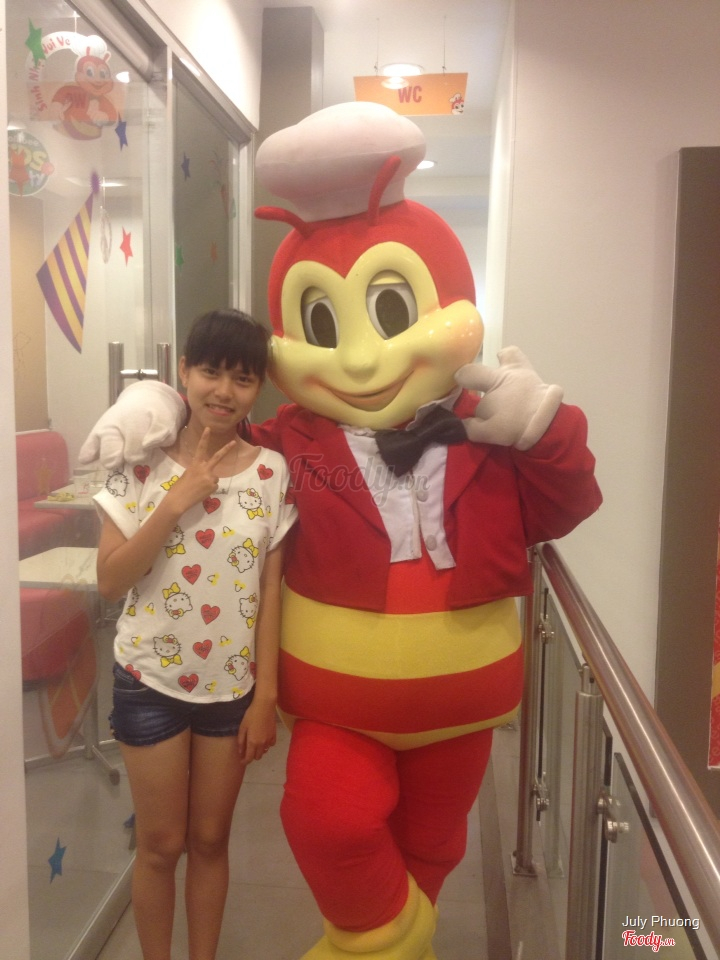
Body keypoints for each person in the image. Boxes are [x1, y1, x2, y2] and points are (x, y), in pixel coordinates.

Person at [82, 103, 602, 960]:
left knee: (435, 842)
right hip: (330, 708)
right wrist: (157, 403)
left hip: (463, 707)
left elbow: (568, 506)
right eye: (322, 328)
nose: (360, 360)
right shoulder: (291, 447)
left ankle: (395, 944)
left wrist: (544, 428)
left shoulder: (486, 431)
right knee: (326, 820)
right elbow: (221, 432)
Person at [94, 309, 296, 960]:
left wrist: (266, 696)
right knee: (160, 846)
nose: (224, 391)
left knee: (210, 841)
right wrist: (176, 500)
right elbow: (110, 580)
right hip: (148, 681)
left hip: (230, 691)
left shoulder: (271, 471)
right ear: (183, 370)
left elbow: (270, 588)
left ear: (259, 387)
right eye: (211, 371)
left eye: (243, 378)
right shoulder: (140, 461)